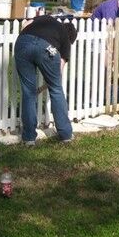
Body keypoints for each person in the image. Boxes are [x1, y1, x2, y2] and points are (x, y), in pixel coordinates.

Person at [14, 15, 78, 144]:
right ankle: (66, 135)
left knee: (28, 92)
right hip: (46, 48)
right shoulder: (65, 39)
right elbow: (59, 70)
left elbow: (26, 24)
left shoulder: (46, 18)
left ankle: (29, 138)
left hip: (22, 43)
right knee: (56, 89)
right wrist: (52, 80)